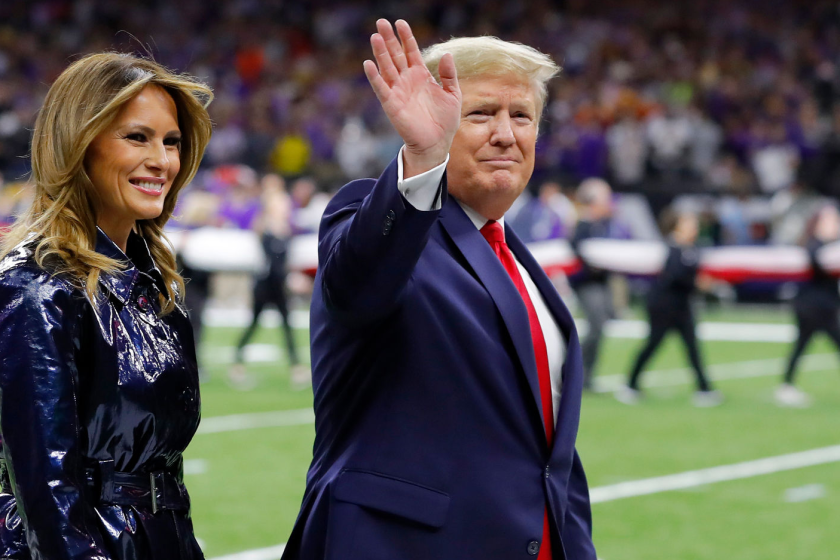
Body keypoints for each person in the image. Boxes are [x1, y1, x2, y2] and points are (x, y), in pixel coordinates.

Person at [283, 20, 596, 560]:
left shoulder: (522, 262)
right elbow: (358, 286)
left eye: (522, 116)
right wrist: (424, 157)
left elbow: (547, 455)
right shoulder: (378, 217)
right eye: (480, 114)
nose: (506, 133)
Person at [0, 53, 212, 559]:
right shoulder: (37, 289)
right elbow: (48, 490)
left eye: (172, 142)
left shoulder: (154, 285)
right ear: (79, 144)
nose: (162, 161)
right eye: (137, 137)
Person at [616, 210, 722, 407]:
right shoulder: (671, 248)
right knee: (653, 344)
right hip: (663, 305)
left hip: (682, 305)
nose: (694, 228)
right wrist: (697, 283)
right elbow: (674, 276)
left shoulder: (693, 249)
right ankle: (630, 385)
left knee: (692, 347)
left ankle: (704, 389)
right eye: (689, 224)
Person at [229, 173, 310, 390]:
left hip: (279, 285)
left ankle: (296, 368)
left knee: (287, 325)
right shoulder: (265, 230)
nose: (285, 208)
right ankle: (237, 363)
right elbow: (271, 264)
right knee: (255, 323)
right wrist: (291, 279)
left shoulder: (285, 231)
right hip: (266, 285)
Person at [776, 204, 840, 407]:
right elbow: (819, 267)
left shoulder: (831, 248)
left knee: (801, 346)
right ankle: (786, 387)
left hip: (825, 307)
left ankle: (786, 386)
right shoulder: (814, 247)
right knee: (802, 345)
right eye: (830, 221)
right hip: (813, 307)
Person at [570, 177, 618, 390]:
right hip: (587, 284)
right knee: (596, 326)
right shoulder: (583, 225)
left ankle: (586, 375)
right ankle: (578, 372)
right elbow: (576, 252)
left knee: (600, 327)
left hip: (602, 283)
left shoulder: (604, 225)